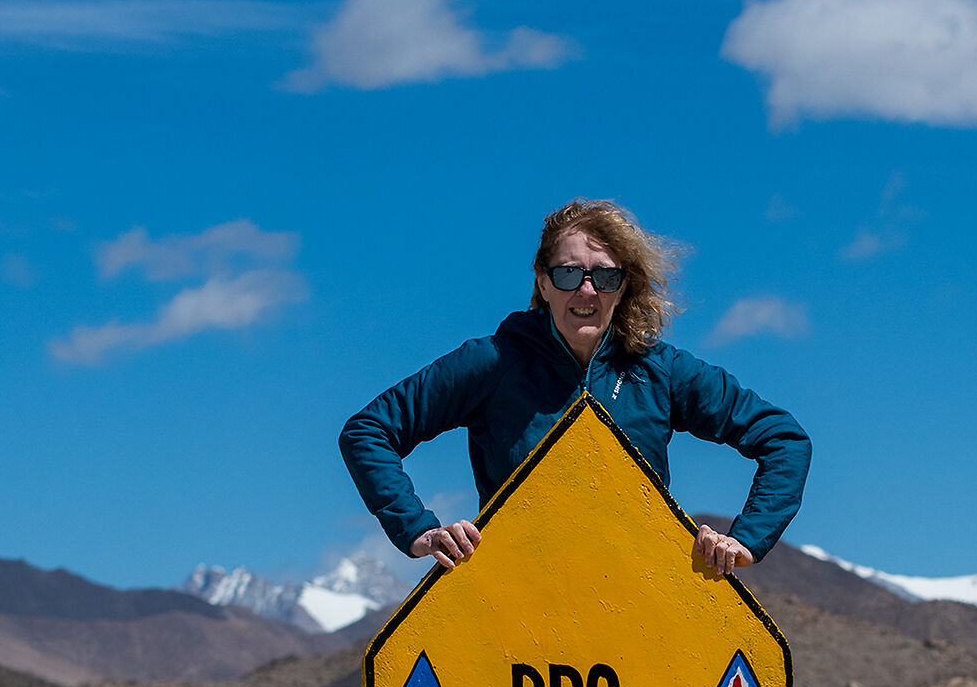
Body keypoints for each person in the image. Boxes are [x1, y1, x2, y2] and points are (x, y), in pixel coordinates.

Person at [339, 199, 810, 578]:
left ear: (623, 288)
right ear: (543, 283)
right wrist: (417, 530)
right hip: (513, 602)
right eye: (568, 274)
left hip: (638, 604)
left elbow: (784, 440)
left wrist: (746, 538)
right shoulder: (493, 362)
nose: (586, 291)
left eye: (605, 276)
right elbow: (368, 432)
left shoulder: (661, 371)